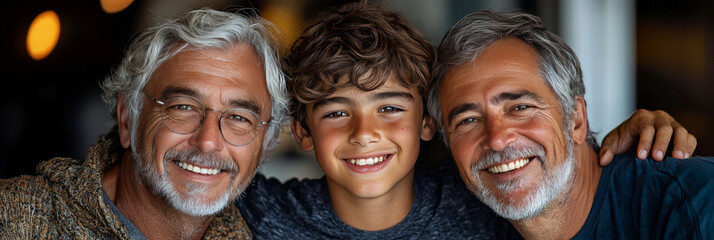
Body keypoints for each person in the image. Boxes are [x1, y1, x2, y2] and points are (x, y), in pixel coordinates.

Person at [236, 2, 696, 239]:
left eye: (391, 107)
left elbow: (560, 178)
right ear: (302, 131)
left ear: (426, 123)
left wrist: (626, 142)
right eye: (336, 113)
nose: (366, 133)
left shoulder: (486, 201)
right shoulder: (259, 212)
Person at [0, 8, 289, 239]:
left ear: (265, 145)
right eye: (183, 107)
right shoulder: (15, 217)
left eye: (239, 118)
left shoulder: (259, 231)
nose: (209, 140)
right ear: (128, 118)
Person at [427, 10, 712, 239]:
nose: (498, 139)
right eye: (468, 120)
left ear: (575, 118)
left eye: (520, 107)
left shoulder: (694, 202)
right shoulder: (459, 215)